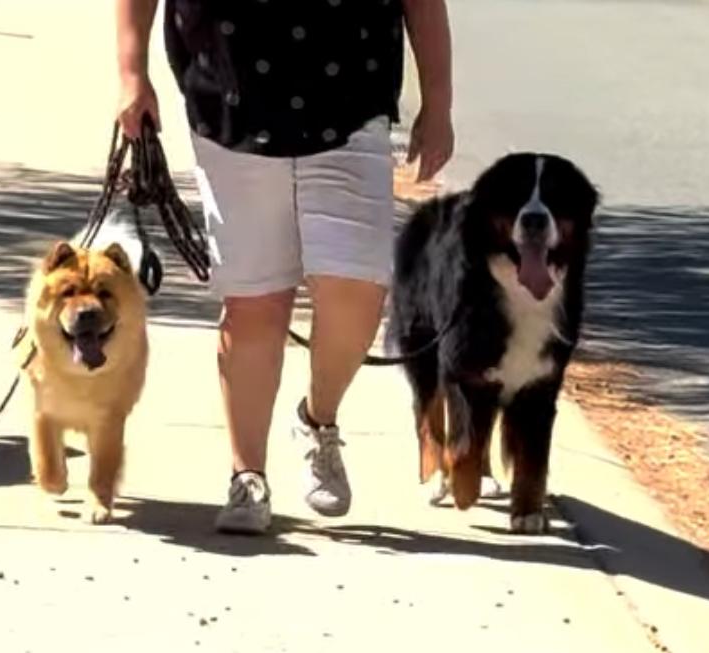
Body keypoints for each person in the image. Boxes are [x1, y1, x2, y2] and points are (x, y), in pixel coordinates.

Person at [115, 0, 455, 534]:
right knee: (255, 303)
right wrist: (132, 75)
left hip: (352, 100)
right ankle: (247, 476)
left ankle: (318, 420)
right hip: (230, 102)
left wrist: (438, 104)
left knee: (358, 288)